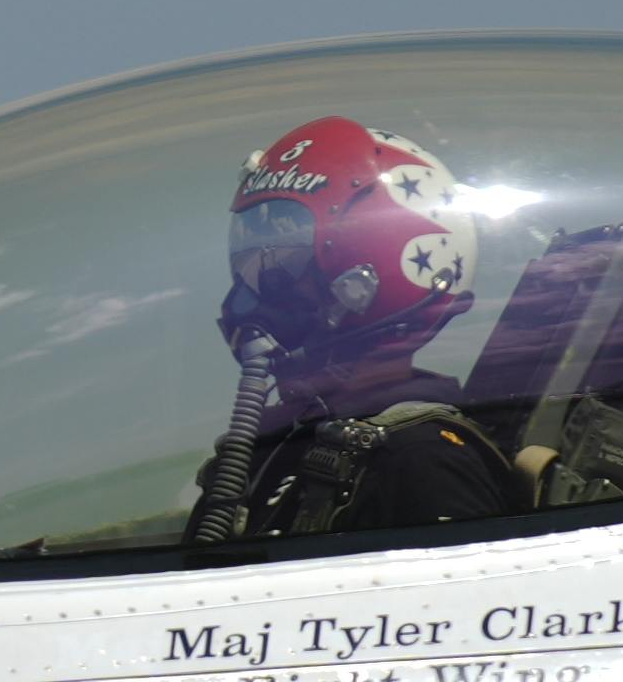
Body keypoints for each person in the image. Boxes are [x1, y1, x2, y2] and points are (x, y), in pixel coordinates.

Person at [185, 114, 533, 551]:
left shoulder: (421, 459)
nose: (253, 294)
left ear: (368, 278)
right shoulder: (267, 451)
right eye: (252, 259)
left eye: (281, 265)